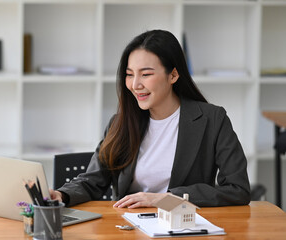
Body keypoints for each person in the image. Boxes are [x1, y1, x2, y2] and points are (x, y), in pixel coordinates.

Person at [50, 29, 251, 208]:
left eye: (145, 74)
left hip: (183, 227)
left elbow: (237, 190)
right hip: (128, 228)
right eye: (129, 75)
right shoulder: (120, 123)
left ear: (173, 75)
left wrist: (165, 199)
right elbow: (93, 180)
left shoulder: (212, 119)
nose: (135, 84)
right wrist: (60, 194)